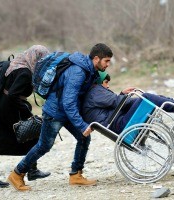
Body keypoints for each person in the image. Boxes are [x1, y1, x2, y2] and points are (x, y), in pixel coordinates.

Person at [7, 43, 113, 191]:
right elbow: (68, 102)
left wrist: (119, 94)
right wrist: (82, 125)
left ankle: (76, 175)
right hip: (55, 112)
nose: (108, 64)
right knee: (44, 146)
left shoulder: (90, 71)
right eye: (106, 61)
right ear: (96, 59)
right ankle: (17, 174)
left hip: (66, 112)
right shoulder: (78, 72)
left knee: (83, 138)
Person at [0, 45, 51, 189]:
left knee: (0, 138)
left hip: (2, 105)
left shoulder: (19, 64)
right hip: (8, 107)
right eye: (42, 59)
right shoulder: (25, 72)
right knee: (31, 131)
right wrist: (27, 112)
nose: (43, 63)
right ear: (36, 57)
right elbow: (14, 95)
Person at [82, 71, 174, 135]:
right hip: (120, 124)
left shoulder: (95, 93)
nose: (108, 86)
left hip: (118, 120)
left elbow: (110, 105)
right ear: (98, 81)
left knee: (150, 98)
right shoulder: (95, 92)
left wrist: (122, 94)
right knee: (146, 97)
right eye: (106, 82)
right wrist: (137, 99)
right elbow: (116, 102)